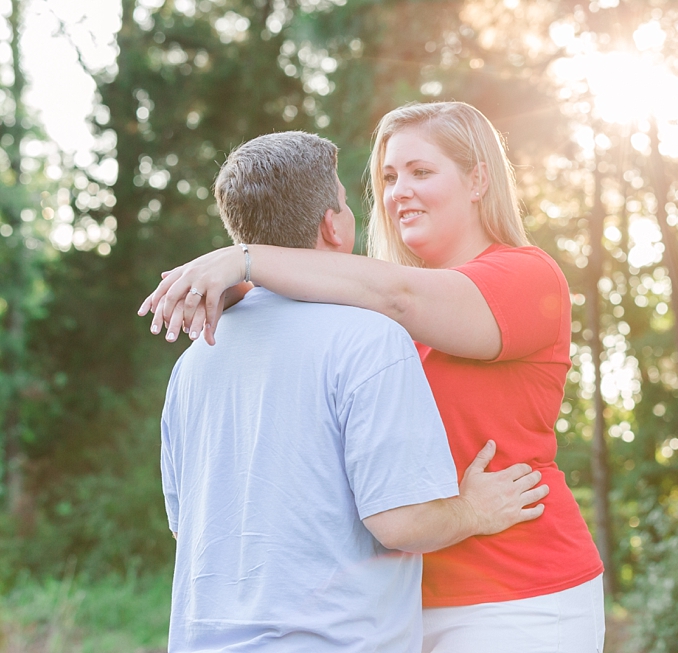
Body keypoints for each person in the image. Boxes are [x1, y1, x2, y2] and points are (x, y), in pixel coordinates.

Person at [142, 102, 606, 652]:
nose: (398, 191)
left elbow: (399, 296)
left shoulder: (524, 276)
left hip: (513, 592)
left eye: (421, 171)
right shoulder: (364, 315)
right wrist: (252, 298)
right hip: (397, 607)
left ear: (479, 178)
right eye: (388, 176)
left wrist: (243, 259)